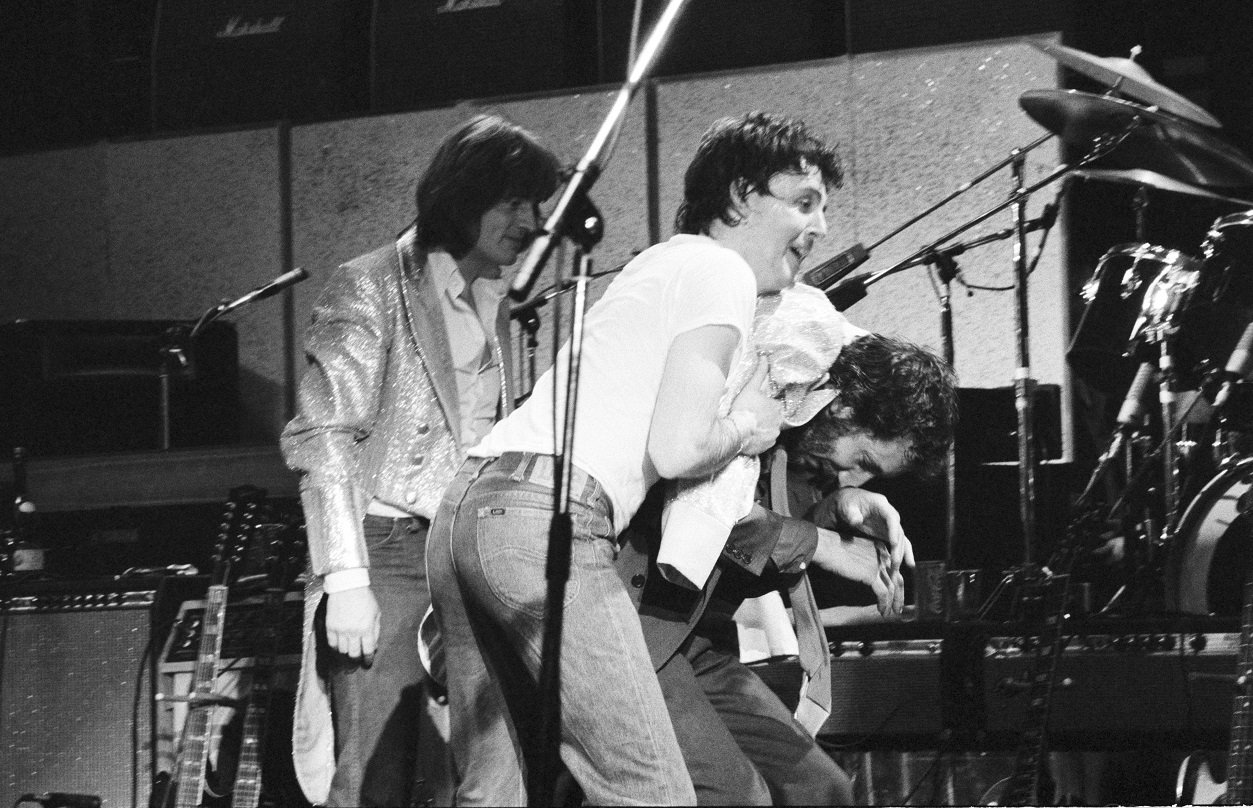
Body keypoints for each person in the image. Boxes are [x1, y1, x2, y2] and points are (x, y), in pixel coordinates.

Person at [425, 111, 842, 805]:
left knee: (493, 792)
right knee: (649, 792)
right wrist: (748, 426)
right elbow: (677, 449)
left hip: (470, 508)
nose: (820, 227)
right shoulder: (719, 271)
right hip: (542, 522)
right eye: (803, 204)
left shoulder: (661, 261)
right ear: (740, 197)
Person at [280, 114, 560, 807]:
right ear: (462, 195)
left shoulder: (507, 302)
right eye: (513, 201)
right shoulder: (371, 283)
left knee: (493, 764)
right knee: (377, 774)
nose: (530, 221)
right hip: (389, 549)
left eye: (536, 204)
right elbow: (323, 434)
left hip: (476, 548)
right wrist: (345, 576)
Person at [618, 332, 958, 805]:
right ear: (841, 406)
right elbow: (714, 521)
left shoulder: (814, 461)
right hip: (639, 633)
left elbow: (752, 564)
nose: (853, 475)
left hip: (696, 642)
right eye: (860, 460)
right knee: (736, 796)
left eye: (871, 473)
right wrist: (826, 545)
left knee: (821, 789)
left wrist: (833, 508)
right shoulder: (757, 399)